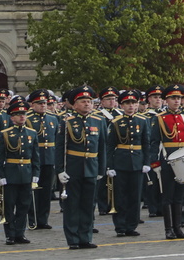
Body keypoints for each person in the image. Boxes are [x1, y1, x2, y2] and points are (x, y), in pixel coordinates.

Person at [58, 86, 107, 249]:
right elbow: (60, 149)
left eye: (89, 101)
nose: (87, 104)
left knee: (88, 205)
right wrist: (60, 170)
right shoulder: (66, 122)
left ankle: (85, 237)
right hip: (73, 168)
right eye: (83, 101)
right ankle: (73, 239)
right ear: (74, 104)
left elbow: (102, 148)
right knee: (72, 206)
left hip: (91, 168)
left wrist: (101, 170)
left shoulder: (98, 121)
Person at [0, 96, 39, 246]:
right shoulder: (5, 133)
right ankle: (10, 234)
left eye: (24, 114)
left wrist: (36, 173)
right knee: (9, 205)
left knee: (24, 205)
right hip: (11, 173)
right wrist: (0, 175)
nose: (22, 116)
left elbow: (36, 156)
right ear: (12, 117)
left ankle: (20, 233)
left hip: (27, 173)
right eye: (18, 114)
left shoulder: (32, 133)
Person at [108, 90, 147, 237]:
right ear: (122, 105)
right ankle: (120, 226)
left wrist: (146, 162)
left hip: (137, 162)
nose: (131, 106)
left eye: (133, 103)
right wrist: (110, 166)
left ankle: (131, 225)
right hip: (121, 162)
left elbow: (146, 143)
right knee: (120, 196)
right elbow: (110, 146)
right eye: (127, 103)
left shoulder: (143, 121)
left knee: (135, 196)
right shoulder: (116, 122)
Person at [26, 89, 59, 231]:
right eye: (39, 103)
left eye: (44, 103)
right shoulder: (27, 119)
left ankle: (43, 219)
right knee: (34, 190)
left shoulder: (52, 118)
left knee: (46, 190)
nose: (43, 106)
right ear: (32, 104)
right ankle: (32, 219)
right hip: (35, 158)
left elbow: (56, 139)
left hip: (49, 157)